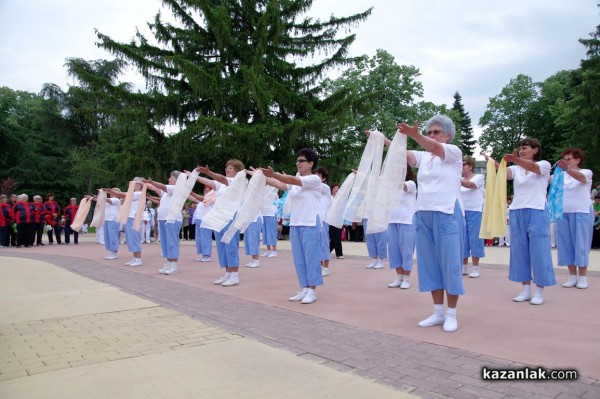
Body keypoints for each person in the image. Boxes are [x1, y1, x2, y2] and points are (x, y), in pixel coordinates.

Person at [397, 115, 464, 333]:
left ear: (448, 135)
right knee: (429, 265)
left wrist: (414, 134)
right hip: (423, 212)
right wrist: (382, 141)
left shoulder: (453, 152)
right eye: (430, 132)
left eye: (436, 132)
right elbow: (403, 153)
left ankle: (452, 314)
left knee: (450, 263)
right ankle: (438, 312)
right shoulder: (424, 157)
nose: (432, 135)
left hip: (446, 212)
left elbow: (434, 147)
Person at [488, 137, 555, 305]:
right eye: (521, 148)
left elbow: (533, 167)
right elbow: (502, 171)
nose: (522, 150)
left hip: (537, 211)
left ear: (535, 150)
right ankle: (525, 289)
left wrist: (515, 158)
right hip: (517, 211)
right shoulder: (516, 169)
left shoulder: (545, 165)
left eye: (525, 147)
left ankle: (539, 291)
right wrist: (490, 160)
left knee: (539, 252)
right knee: (519, 251)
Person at [260, 149, 323, 304]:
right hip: (296, 224)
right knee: (299, 259)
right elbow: (281, 184)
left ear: (310, 163)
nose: (298, 163)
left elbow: (291, 181)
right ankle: (305, 289)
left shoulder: (314, 179)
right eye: (297, 160)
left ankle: (313, 291)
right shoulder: (296, 180)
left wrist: (273, 173)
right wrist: (260, 175)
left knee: (311, 258)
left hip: (310, 223)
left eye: (301, 161)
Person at [194, 160, 245, 286]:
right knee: (221, 246)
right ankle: (227, 274)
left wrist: (208, 172)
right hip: (220, 217)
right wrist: (194, 175)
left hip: (231, 217)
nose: (227, 169)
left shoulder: (239, 181)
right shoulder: (222, 185)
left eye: (231, 168)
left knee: (231, 244)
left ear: (237, 171)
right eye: (227, 167)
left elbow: (221, 178)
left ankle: (235, 276)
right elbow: (210, 182)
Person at [554, 148, 593, 289]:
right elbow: (544, 179)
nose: (566, 161)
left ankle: (583, 277)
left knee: (581, 244)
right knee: (565, 245)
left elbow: (582, 179)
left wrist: (568, 169)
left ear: (578, 160)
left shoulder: (586, 172)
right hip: (563, 213)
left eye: (569, 159)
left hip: (581, 212)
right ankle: (572, 277)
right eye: (564, 159)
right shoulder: (560, 176)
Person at [143, 172, 183, 275]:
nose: (169, 179)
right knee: (165, 242)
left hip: (173, 219)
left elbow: (162, 187)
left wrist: (152, 182)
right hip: (163, 219)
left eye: (171, 178)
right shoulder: (166, 193)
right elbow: (156, 189)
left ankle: (174, 265)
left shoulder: (178, 188)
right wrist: (145, 183)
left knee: (172, 242)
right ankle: (168, 262)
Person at [387, 164, 417, 289]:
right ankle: (399, 277)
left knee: (406, 251)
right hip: (392, 220)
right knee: (394, 251)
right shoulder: (391, 187)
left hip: (407, 220)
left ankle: (407, 279)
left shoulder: (411, 184)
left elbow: (403, 186)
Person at [107, 181, 144, 267]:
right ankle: (135, 258)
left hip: (134, 218)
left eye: (135, 183)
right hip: (129, 217)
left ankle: (138, 259)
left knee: (135, 238)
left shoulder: (140, 193)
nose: (132, 184)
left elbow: (124, 195)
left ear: (140, 185)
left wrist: (112, 191)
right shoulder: (133, 193)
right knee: (130, 239)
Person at [460, 156, 485, 278]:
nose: (462, 166)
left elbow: (471, 185)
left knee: (475, 239)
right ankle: (464, 267)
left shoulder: (479, 177)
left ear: (470, 166)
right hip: (461, 212)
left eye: (464, 164)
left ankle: (475, 268)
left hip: (475, 211)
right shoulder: (459, 179)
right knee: (462, 240)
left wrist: (455, 180)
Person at [316, 167, 332, 277]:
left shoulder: (325, 188)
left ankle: (326, 268)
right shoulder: (314, 191)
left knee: (324, 244)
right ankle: (320, 266)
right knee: (316, 245)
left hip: (324, 220)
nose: (315, 178)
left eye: (318, 176)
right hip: (314, 221)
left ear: (324, 178)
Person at [190, 186, 213, 262]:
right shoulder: (200, 200)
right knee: (199, 238)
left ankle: (208, 255)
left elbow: (202, 199)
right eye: (204, 190)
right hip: (198, 220)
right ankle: (203, 254)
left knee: (205, 238)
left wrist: (193, 193)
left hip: (206, 220)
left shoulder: (212, 198)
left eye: (207, 190)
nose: (205, 192)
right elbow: (193, 198)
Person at [102, 188, 122, 260]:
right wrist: (92, 198)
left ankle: (114, 252)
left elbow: (108, 200)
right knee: (107, 236)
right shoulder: (108, 200)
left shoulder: (116, 200)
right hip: (107, 219)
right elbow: (102, 200)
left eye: (111, 192)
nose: (110, 193)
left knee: (113, 236)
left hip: (113, 220)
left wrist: (102, 194)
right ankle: (111, 252)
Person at [260, 186, 279, 258]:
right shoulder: (264, 192)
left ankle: (274, 251)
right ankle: (268, 250)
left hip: (271, 214)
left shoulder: (274, 193)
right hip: (264, 214)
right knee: (265, 233)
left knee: (271, 233)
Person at [328, 183, 344, 259]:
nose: (336, 190)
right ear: (332, 190)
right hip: (330, 220)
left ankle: (327, 251)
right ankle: (339, 253)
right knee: (335, 237)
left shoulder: (341, 199)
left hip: (339, 220)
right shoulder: (329, 198)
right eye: (335, 188)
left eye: (338, 188)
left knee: (336, 237)